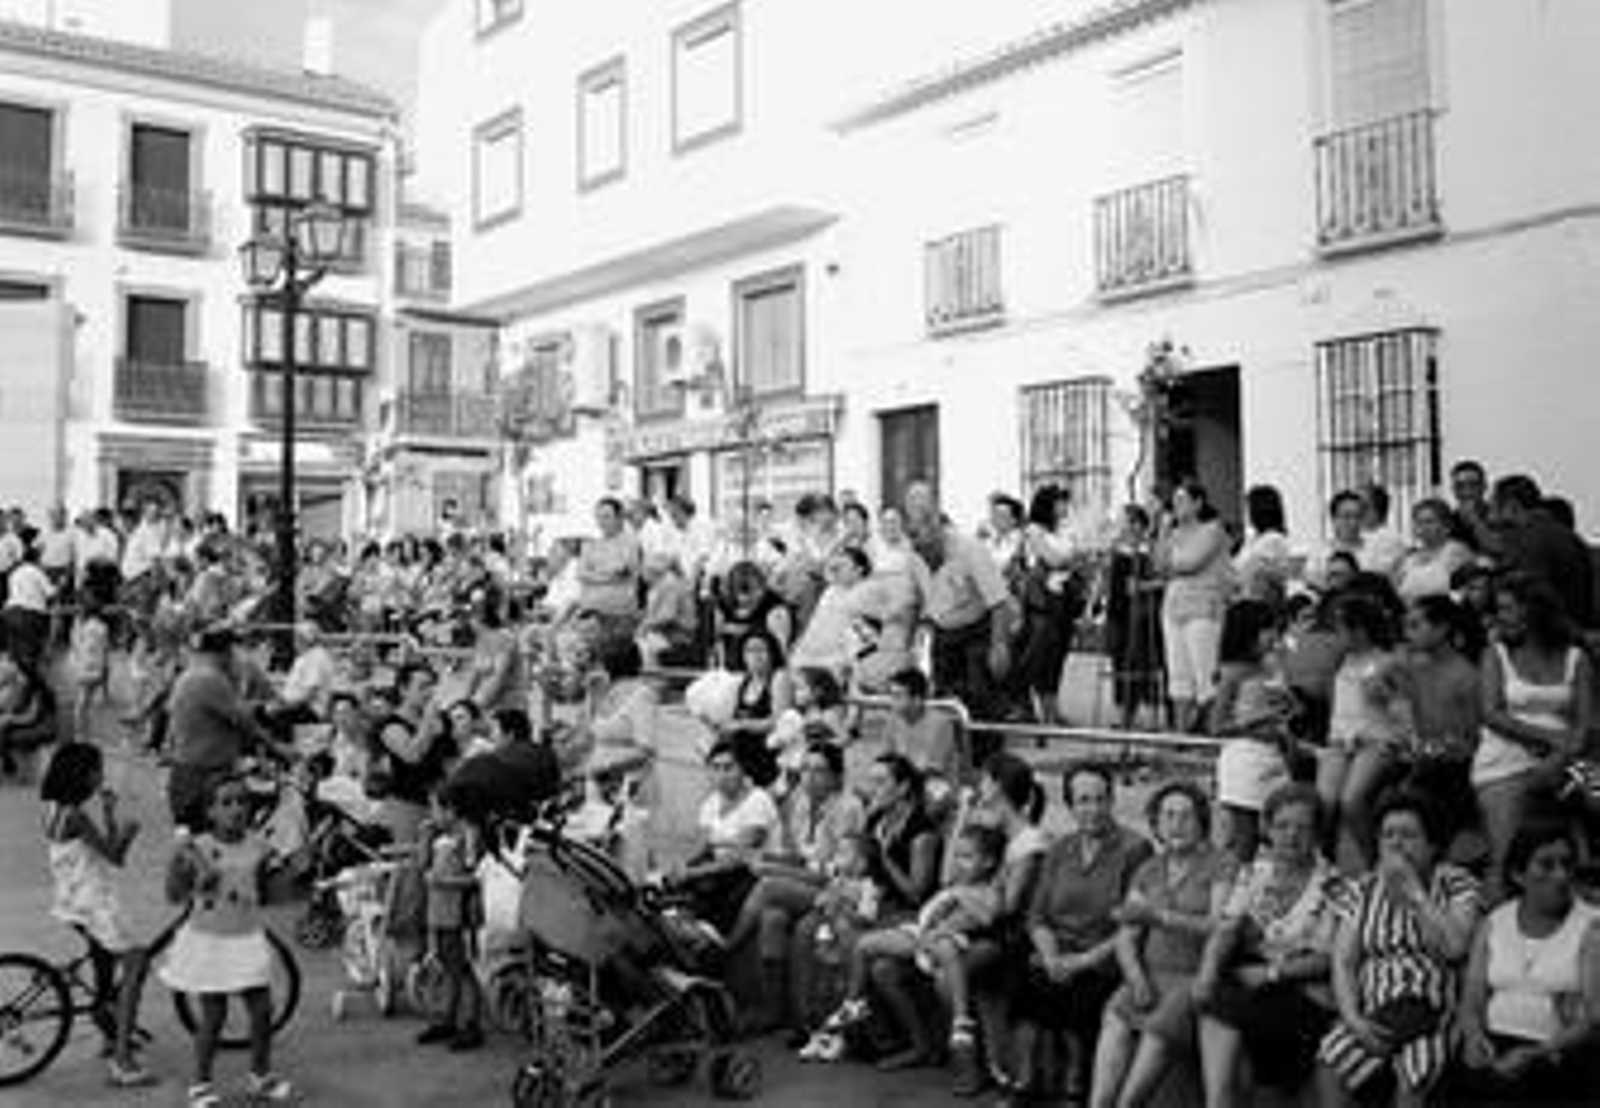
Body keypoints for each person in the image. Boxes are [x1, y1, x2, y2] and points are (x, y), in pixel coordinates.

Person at [1316, 791, 1479, 1108]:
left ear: (1432, 845)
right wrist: (1352, 1018)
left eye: (1408, 835)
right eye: (1387, 835)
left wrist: (1414, 893)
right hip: (1375, 1012)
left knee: (1417, 1073)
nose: (1395, 843)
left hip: (1431, 1012)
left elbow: (1455, 948)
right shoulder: (1362, 889)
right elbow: (1344, 962)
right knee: (1329, 1061)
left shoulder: (1455, 883)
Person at [807, 823, 1007, 1071]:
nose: (958, 863)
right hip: (919, 935)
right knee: (864, 945)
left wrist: (958, 896)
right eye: (956, 856)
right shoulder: (952, 883)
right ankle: (853, 1002)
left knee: (945, 948)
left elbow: (989, 915)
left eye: (967, 857)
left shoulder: (986, 891)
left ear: (988, 863)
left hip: (948, 941)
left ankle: (961, 1019)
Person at [1008, 764, 1153, 1104]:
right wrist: (1051, 955)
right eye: (1084, 800)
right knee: (1025, 971)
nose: (1094, 809)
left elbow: (1133, 925)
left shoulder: (1135, 849)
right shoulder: (1061, 847)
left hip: (1104, 954)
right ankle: (1027, 1079)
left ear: (1112, 801)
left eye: (1102, 799)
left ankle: (1075, 1082)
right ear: (1071, 806)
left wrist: (1082, 961)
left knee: (1081, 989)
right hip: (1057, 949)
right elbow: (1038, 914)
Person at [1193, 784, 1341, 1106]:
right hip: (1250, 975)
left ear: (1317, 833)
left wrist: (1272, 973)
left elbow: (1327, 958)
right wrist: (1206, 971)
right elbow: (1226, 929)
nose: (1291, 836)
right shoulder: (1254, 874)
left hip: (1301, 986)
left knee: (1236, 1010)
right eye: (1282, 826)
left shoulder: (1334, 883)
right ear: (1267, 829)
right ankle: (1218, 1101)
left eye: (1303, 827)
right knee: (1214, 997)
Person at [1090, 781, 1232, 1108]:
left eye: (1186, 816)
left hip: (1193, 976)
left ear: (1201, 822)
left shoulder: (1221, 862)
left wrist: (1161, 917)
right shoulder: (1150, 868)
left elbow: (1219, 926)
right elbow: (1127, 935)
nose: (1176, 824)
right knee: (1114, 1015)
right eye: (1168, 816)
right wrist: (1135, 976)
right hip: (1151, 972)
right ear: (1156, 824)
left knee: (1159, 1028)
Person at [160, 773, 297, 1107]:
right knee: (214, 1016)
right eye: (226, 802)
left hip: (247, 937)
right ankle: (201, 1084)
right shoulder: (199, 848)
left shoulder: (258, 845)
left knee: (262, 1010)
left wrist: (286, 870)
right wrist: (179, 865)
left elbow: (273, 892)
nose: (236, 808)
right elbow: (174, 894)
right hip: (209, 940)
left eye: (242, 801)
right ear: (210, 812)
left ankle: (260, 1076)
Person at [724, 740, 866, 1036]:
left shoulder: (848, 807)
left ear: (837, 776)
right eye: (806, 770)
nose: (810, 777)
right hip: (807, 879)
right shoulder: (800, 801)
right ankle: (776, 1012)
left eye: (819, 771)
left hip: (837, 890)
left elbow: (835, 870)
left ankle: (727, 947)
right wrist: (769, 857)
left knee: (768, 885)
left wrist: (778, 868)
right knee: (772, 918)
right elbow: (799, 853)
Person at [1451, 821, 1600, 1103]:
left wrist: (1538, 1053)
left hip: (1557, 1054)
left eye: (1567, 864)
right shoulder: (1495, 922)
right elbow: (1472, 997)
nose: (1561, 875)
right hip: (1493, 1045)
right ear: (1518, 874)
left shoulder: (1591, 927)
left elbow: (1594, 1019)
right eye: (1546, 865)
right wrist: (1472, 1035)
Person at [40, 742, 157, 1087]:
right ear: (83, 775)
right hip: (96, 901)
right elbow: (114, 855)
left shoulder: (52, 809)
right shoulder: (76, 816)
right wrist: (129, 831)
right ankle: (123, 1059)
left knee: (104, 962)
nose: (101, 775)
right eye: (97, 770)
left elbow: (95, 849)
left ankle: (108, 1025)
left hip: (71, 900)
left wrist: (107, 812)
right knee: (137, 963)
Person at [1474, 573, 1591, 902]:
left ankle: (1581, 888)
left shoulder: (1575, 658)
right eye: (1499, 609)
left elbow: (1585, 723)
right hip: (1504, 758)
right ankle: (1500, 922)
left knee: (1597, 789)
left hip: (1568, 759)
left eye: (1508, 609)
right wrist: (1550, 738)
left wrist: (1561, 755)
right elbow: (1491, 713)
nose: (1501, 617)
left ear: (1534, 611)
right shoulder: (1495, 654)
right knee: (1507, 852)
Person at [1317, 593, 1412, 867]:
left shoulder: (1389, 661)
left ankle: (1374, 863)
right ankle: (1325, 864)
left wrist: (1386, 698)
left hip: (1376, 739)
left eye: (1340, 628)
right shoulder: (1341, 660)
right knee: (1324, 803)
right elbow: (1337, 705)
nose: (1336, 635)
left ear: (1359, 630)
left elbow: (1405, 709)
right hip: (1339, 740)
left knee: (1351, 800)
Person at [1210, 599, 1296, 862]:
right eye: (1267, 628)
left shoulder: (1272, 666)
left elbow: (1286, 707)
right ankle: (1234, 897)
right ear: (1248, 631)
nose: (1274, 635)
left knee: (1281, 831)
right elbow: (1216, 725)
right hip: (1244, 760)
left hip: (1274, 755)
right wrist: (1255, 727)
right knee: (1244, 841)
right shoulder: (1232, 673)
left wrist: (1288, 707)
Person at [166, 627, 275, 832]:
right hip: (200, 778)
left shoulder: (192, 675)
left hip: (188, 773)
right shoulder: (211, 679)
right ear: (224, 652)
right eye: (232, 650)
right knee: (203, 845)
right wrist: (279, 747)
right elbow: (246, 722)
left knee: (194, 842)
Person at [672, 738, 782, 934]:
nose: (721, 775)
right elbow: (703, 846)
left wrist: (692, 873)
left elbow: (738, 857)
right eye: (715, 768)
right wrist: (682, 866)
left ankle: (717, 943)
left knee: (710, 887)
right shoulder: (711, 803)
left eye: (728, 768)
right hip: (718, 869)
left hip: (751, 872)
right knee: (675, 887)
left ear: (743, 769)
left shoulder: (759, 800)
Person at [1398, 596, 1482, 844]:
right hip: (1428, 760)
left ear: (1442, 628)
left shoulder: (1465, 675)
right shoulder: (1416, 667)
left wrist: (1423, 751)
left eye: (1415, 626)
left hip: (1457, 770)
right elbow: (1413, 721)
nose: (1407, 634)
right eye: (1406, 626)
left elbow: (1467, 744)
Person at [1153, 480, 1232, 734]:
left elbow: (1190, 562)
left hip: (1203, 609)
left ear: (1198, 503)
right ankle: (1180, 734)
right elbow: (1157, 565)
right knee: (1178, 675)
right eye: (1174, 501)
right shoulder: (1173, 534)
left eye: (1182, 500)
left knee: (1205, 673)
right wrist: (1163, 533)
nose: (1176, 506)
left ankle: (1211, 732)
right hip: (1173, 610)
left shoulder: (1212, 530)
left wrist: (1168, 562)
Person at [413, 782, 485, 1052]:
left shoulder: (468, 834)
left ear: (452, 809)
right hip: (439, 911)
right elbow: (422, 866)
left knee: (464, 969)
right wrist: (424, 836)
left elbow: (477, 876)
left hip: (460, 913)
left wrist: (446, 881)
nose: (431, 814)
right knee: (447, 965)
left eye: (435, 807)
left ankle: (471, 1024)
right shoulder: (438, 835)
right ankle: (449, 1019)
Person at [1010, 484, 1086, 725]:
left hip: (1063, 601)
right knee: (1041, 657)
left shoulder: (1064, 529)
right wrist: (1072, 556)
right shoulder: (1034, 530)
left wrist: (1071, 557)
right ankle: (1036, 710)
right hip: (1041, 603)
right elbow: (1054, 558)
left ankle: (1053, 710)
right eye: (1060, 502)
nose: (1064, 508)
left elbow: (1075, 557)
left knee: (1058, 657)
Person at [1492, 474, 1594, 628]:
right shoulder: (1561, 531)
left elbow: (1535, 600)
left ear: (1512, 506)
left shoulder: (1529, 537)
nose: (1491, 510)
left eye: (1494, 503)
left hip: (1553, 636)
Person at [1105, 504, 1165, 730]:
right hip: (1118, 614)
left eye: (1124, 521)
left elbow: (1160, 580)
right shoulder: (1118, 553)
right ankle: (1124, 715)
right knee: (1121, 663)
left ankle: (1149, 715)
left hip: (1142, 615)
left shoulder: (1148, 553)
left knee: (1145, 663)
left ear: (1137, 525)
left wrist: (1143, 587)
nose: (1120, 526)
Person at [717, 628, 793, 789]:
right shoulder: (743, 682)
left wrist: (742, 724)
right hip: (740, 760)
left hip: (766, 760)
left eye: (761, 649)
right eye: (749, 650)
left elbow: (777, 721)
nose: (755, 655)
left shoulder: (779, 677)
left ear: (772, 652)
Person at [879, 667, 960, 805]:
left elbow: (933, 772)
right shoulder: (893, 719)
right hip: (902, 781)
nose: (892, 701)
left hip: (936, 784)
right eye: (891, 695)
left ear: (917, 700)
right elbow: (885, 759)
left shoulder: (941, 724)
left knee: (929, 797)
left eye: (898, 696)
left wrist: (898, 790)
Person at [577, 497, 643, 648]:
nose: (601, 522)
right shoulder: (592, 544)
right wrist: (607, 575)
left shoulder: (630, 542)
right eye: (598, 517)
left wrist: (593, 575)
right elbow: (581, 574)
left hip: (619, 612)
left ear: (620, 518)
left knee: (613, 656)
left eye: (607, 517)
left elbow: (621, 573)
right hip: (591, 611)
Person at [1394, 498, 1473, 602]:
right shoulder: (1408, 558)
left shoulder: (1456, 551)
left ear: (1446, 526)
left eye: (1429, 522)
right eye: (1418, 522)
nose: (1423, 527)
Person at [1233, 484, 1294, 606]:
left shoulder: (1273, 540)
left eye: (1249, 509)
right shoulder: (1252, 540)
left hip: (1261, 604)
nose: (1248, 514)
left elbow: (1251, 570)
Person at [69, 597, 112, 740]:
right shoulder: (103, 627)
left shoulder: (84, 627)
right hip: (97, 667)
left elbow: (76, 644)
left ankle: (80, 732)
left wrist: (75, 628)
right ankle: (85, 731)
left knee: (81, 703)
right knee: (87, 702)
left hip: (85, 666)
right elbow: (105, 649)